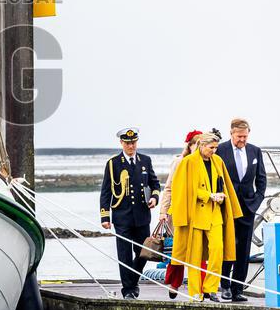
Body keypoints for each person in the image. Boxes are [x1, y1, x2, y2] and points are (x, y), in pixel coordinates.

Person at [169, 131, 243, 301]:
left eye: (216, 148)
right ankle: (195, 292)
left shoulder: (218, 161)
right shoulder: (187, 162)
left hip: (215, 214)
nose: (214, 151)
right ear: (201, 145)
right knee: (194, 256)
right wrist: (208, 195)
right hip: (195, 216)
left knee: (218, 251)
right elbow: (183, 190)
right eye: (211, 147)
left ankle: (211, 289)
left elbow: (223, 184)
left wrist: (222, 196)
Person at [99, 127, 161, 299]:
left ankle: (132, 280)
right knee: (124, 255)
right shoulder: (113, 164)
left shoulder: (145, 161)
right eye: (127, 143)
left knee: (144, 253)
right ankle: (129, 290)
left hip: (142, 217)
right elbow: (106, 191)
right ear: (121, 143)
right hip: (122, 216)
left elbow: (155, 185)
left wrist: (154, 198)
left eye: (133, 142)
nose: (131, 146)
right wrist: (105, 216)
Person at [216, 118, 266, 302]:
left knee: (244, 250)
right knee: (227, 247)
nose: (242, 140)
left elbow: (261, 179)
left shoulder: (255, 151)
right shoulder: (220, 150)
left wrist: (257, 200)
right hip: (226, 208)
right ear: (231, 134)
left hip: (247, 207)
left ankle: (238, 288)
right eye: (239, 137)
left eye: (245, 136)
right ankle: (225, 286)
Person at [159, 129, 202, 298]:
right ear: (190, 146)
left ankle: (200, 288)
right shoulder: (179, 162)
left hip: (199, 212)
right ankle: (174, 284)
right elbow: (168, 188)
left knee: (199, 252)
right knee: (177, 251)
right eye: (196, 145)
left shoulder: (205, 163)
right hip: (179, 212)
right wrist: (163, 211)